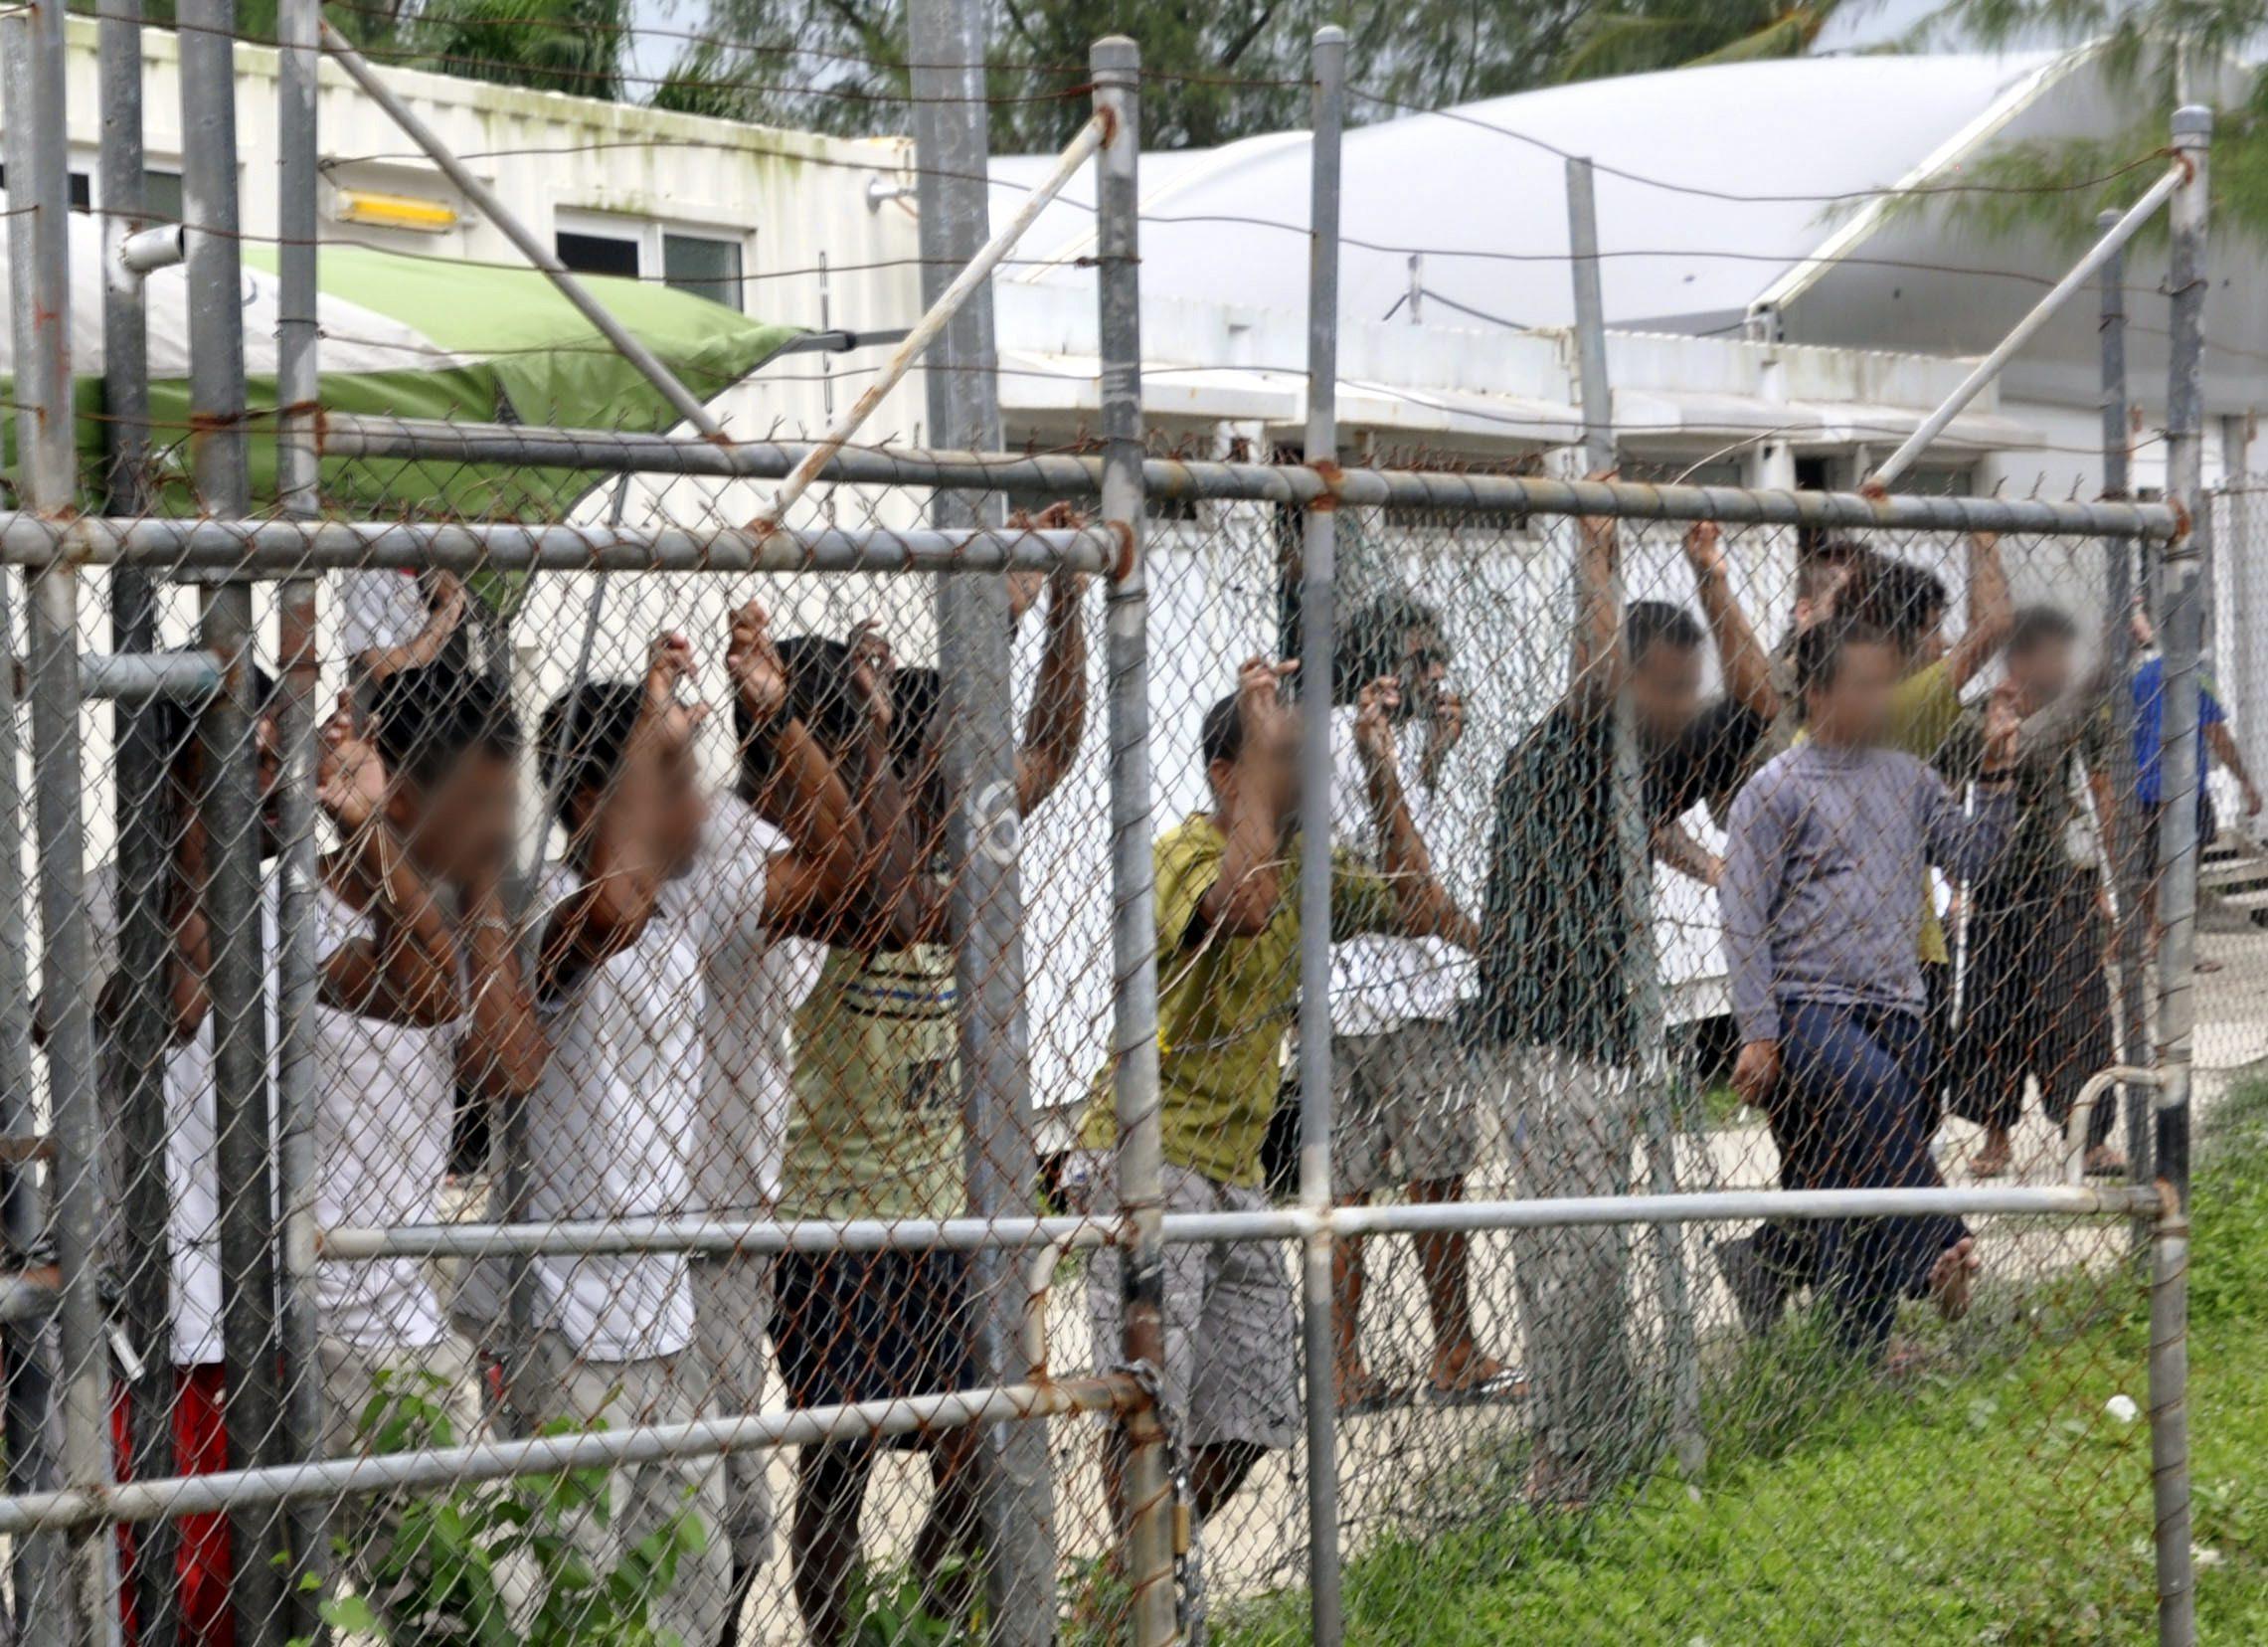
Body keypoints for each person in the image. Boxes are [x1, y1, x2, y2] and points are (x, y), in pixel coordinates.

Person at [526, 607, 861, 1647]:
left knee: (691, 1588)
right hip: (568, 1319)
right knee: (573, 1597)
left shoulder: (691, 902)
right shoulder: (540, 905)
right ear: (595, 796)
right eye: (671, 781)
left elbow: (845, 877)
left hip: (663, 1310)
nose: (698, 804)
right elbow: (612, 909)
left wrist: (781, 722)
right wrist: (648, 745)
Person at [1081, 655, 1473, 1542]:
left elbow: (1416, 903)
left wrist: (1378, 766)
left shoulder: (1306, 861)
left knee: (1256, 1407)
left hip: (1234, 1168)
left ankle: (1135, 1584)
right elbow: (1245, 905)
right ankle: (1138, 1597)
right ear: (1229, 775)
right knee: (1149, 1405)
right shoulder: (1182, 851)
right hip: (1145, 1159)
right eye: (1278, 760)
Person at [776, 547, 1089, 1647]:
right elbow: (896, 902)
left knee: (974, 1439)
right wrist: (877, 726)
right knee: (838, 1461)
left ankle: (943, 1592)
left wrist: (1064, 602)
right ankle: (836, 1634)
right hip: (836, 1220)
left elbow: (1053, 743)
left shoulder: (968, 853)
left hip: (946, 1216)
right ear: (913, 757)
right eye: (958, 746)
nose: (986, 764)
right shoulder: (848, 870)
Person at [1473, 513, 1777, 1504]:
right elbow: (1593, 670)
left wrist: (1710, 574)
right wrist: (1594, 551)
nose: (1690, 704)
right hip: (1545, 1036)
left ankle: (1593, 1446)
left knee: (1597, 1255)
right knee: (1566, 1259)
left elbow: (1764, 701)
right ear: (1628, 678)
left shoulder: (1651, 752)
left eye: (1691, 689)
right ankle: (1562, 1460)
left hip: (1612, 1030)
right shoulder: (1573, 743)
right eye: (1671, 686)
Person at [1719, 532, 2011, 1327]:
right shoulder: (1774, 790)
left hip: (1899, 1003)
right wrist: (1756, 1030)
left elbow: (1975, 861)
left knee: (1863, 1165)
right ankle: (1940, 1248)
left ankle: (1858, 1344)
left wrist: (1997, 774)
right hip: (1810, 1007)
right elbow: (1741, 914)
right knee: (1872, 1091)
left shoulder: (1907, 777)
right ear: (1817, 693)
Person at [306, 664, 539, 1633]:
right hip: (314, 1326)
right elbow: (420, 988)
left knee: (487, 1611)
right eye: (483, 805)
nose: (500, 830)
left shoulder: (461, 917)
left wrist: (480, 889)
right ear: (405, 796)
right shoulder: (294, 908)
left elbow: (508, 1069)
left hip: (402, 1328)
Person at [75, 677, 277, 1647]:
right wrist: (197, 843)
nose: (273, 787)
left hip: (258, 1308)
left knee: (254, 1592)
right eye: (244, 767)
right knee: (161, 1591)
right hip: (147, 1321)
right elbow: (179, 1000)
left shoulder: (289, 903)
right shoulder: (101, 899)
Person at [1322, 594, 1508, 1411]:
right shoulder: (1356, 740)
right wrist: (1490, 946)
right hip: (1403, 993)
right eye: (1420, 658)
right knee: (1436, 1178)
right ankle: (1453, 1350)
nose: (1436, 672)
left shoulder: (1333, 735)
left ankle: (1338, 1366)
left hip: (1335, 998)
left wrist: (1431, 756)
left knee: (1343, 1189)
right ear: (1380, 666)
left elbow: (1391, 829)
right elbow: (1412, 883)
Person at [1937, 607, 2123, 1180]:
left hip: (2056, 882)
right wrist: (1951, 880)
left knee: (2076, 1010)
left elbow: (2100, 791)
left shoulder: (2078, 712)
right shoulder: (1973, 717)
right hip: (1993, 885)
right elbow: (1944, 792)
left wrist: (2112, 885)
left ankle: (2087, 1138)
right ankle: (1996, 1137)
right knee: (1991, 1015)